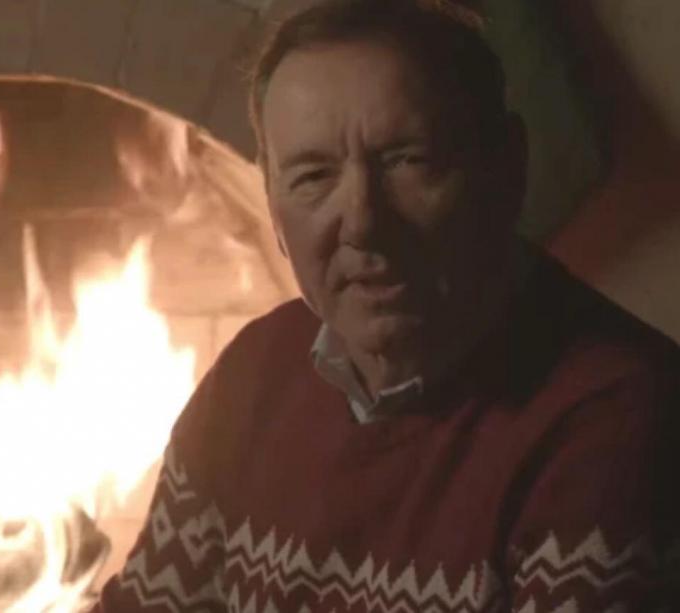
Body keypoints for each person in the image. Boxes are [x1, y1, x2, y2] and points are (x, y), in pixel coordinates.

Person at [92, 0, 680, 610]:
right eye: (313, 176)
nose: (363, 223)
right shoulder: (254, 373)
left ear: (507, 168)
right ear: (271, 202)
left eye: (408, 161)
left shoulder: (616, 420)